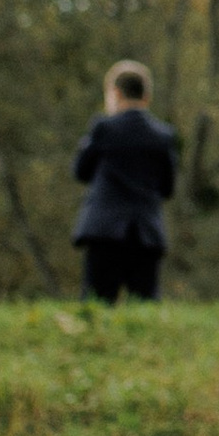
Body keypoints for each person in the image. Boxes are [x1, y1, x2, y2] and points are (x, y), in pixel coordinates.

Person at [71, 62, 180, 304]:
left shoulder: (104, 127)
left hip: (104, 231)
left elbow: (80, 171)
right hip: (146, 233)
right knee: (145, 305)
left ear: (115, 93)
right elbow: (168, 187)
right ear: (147, 96)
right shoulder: (163, 135)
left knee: (96, 303)